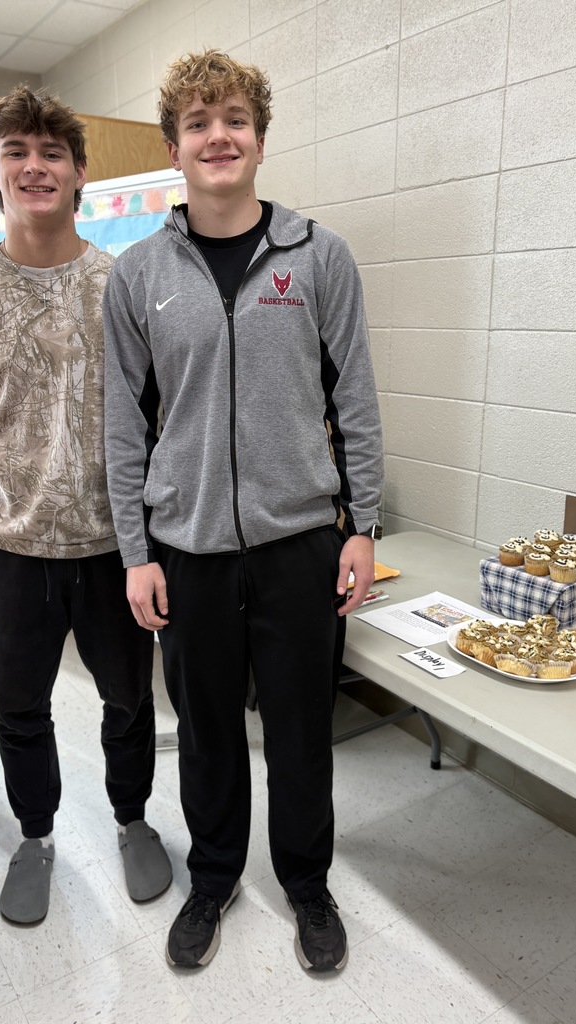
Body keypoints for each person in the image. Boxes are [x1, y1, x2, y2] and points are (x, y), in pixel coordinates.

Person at [102, 50, 383, 972]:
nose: (217, 135)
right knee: (208, 730)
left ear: (260, 137)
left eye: (234, 118)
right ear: (174, 147)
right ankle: (215, 876)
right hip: (185, 549)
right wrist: (137, 551)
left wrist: (363, 525)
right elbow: (123, 425)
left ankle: (307, 884)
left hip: (301, 542)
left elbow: (356, 404)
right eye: (197, 121)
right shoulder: (140, 275)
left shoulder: (319, 254)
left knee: (303, 729)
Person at [0, 85, 171, 925]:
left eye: (52, 152)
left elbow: (157, 410)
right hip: (10, 550)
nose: (36, 166)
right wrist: (30, 483)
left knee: (129, 700)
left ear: (80, 173)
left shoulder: (124, 287)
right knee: (20, 710)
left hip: (115, 550)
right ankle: (36, 837)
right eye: (17, 153)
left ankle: (133, 820)